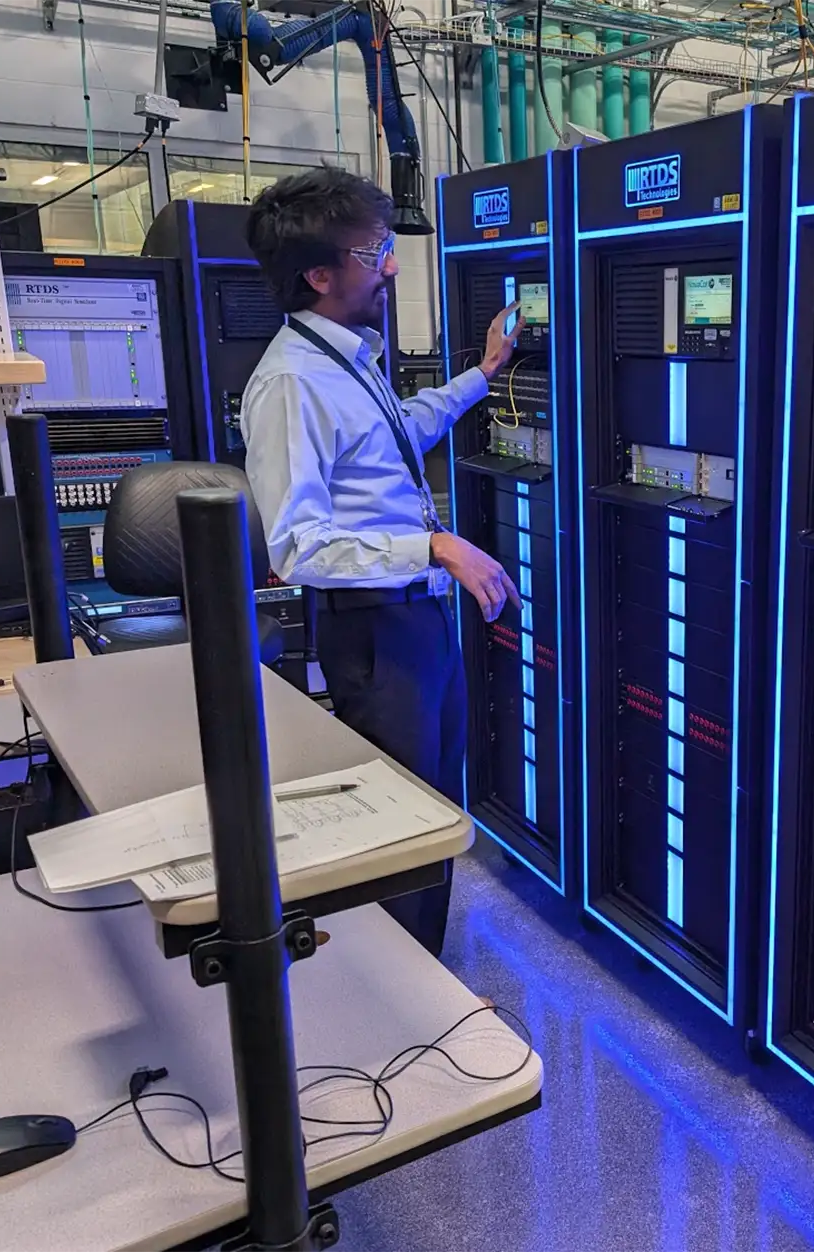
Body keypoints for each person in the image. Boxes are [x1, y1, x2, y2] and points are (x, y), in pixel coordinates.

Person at [241, 165, 521, 956]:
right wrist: (431, 543)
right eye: (375, 252)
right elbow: (297, 546)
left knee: (433, 813)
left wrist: (485, 374)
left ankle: (422, 984)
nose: (393, 267)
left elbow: (396, 432)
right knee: (401, 831)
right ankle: (404, 1012)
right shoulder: (290, 384)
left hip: (415, 620)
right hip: (375, 631)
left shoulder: (342, 358)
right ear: (319, 275)